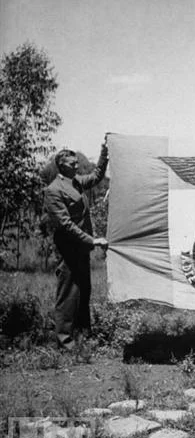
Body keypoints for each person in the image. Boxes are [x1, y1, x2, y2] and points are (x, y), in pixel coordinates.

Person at [44, 140, 109, 349]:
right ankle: (65, 341)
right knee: (67, 295)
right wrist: (93, 240)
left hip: (81, 248)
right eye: (73, 164)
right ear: (62, 165)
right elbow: (66, 225)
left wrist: (104, 153)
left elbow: (97, 176)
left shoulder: (76, 182)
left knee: (83, 291)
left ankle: (83, 334)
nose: (77, 167)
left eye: (76, 164)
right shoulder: (53, 190)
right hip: (68, 249)